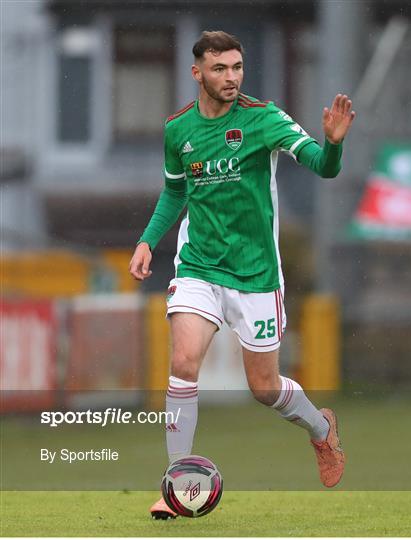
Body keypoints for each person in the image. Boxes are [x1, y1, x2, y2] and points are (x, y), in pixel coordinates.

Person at [129, 30, 355, 519]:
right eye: (220, 69)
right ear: (197, 73)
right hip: (198, 266)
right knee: (184, 363)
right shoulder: (177, 130)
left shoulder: (263, 118)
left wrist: (333, 146)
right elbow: (174, 192)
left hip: (255, 275)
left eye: (236, 67)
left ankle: (321, 429)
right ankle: (179, 485)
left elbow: (323, 166)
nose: (231, 77)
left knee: (264, 388)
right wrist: (149, 239)